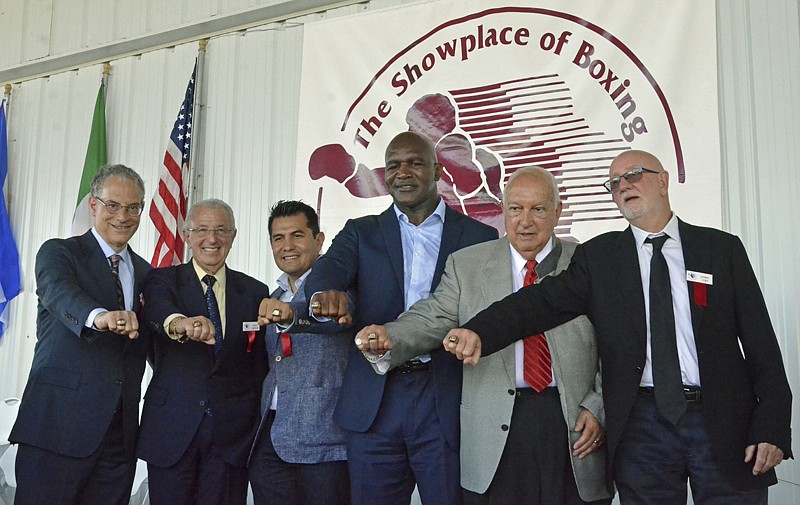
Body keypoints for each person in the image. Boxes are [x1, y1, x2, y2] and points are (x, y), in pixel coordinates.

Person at [444, 150, 793, 504]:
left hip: (722, 419)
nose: (623, 185)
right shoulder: (600, 257)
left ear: (663, 181)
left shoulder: (720, 249)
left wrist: (774, 427)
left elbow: (762, 344)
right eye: (614, 183)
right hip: (642, 425)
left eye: (634, 175)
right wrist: (480, 331)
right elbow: (540, 303)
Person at [355, 167, 611, 505]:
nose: (525, 221)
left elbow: (620, 345)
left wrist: (598, 406)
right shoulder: (467, 265)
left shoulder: (588, 264)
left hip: (572, 427)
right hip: (494, 429)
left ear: (558, 211)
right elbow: (432, 317)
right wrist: (389, 336)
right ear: (502, 211)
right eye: (516, 209)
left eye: (538, 209)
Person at [305, 131, 497, 505]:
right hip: (375, 401)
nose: (402, 173)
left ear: (438, 170)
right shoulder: (361, 233)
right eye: (393, 165)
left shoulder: (479, 237)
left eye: (415, 162)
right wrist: (324, 293)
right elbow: (328, 270)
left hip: (445, 397)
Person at [10, 164, 151, 505]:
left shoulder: (148, 273)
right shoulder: (60, 253)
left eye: (133, 208)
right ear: (93, 205)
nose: (123, 216)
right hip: (58, 428)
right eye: (113, 205)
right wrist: (100, 317)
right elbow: (59, 293)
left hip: (119, 438)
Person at [137, 198, 269, 505]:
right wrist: (179, 324)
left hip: (231, 436)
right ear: (187, 235)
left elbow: (258, 363)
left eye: (221, 230)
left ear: (233, 236)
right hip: (172, 429)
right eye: (203, 229)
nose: (212, 239)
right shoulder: (162, 280)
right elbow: (157, 312)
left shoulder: (255, 292)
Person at [248, 200, 351, 505]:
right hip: (270, 438)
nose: (287, 246)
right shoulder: (272, 296)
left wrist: (291, 315)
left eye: (297, 235)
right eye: (279, 238)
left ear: (319, 240)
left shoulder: (338, 289)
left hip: (325, 442)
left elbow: (328, 319)